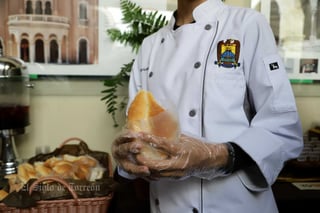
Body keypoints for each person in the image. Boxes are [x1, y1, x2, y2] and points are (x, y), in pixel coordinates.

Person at [112, 0, 304, 212]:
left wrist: (217, 156)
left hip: (234, 204)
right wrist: (128, 157)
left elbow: (282, 129)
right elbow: (139, 133)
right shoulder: (150, 46)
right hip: (168, 204)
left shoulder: (247, 25)